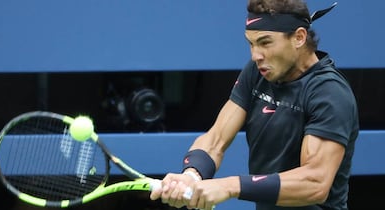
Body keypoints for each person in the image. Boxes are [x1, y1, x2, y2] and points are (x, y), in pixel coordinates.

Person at [150, 0, 359, 210]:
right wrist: (192, 174)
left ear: (299, 37)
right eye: (251, 43)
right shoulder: (257, 73)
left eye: (265, 42)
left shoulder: (330, 92)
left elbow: (315, 183)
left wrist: (231, 186)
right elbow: (216, 139)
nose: (255, 55)